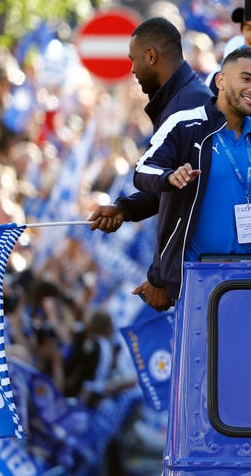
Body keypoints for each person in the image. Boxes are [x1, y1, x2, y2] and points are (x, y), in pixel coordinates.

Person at [133, 49, 251, 309]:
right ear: (221, 81)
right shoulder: (185, 124)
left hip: (250, 277)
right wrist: (170, 177)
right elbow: (143, 169)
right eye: (246, 79)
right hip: (198, 276)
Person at [87, 17, 213, 308]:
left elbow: (185, 198)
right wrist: (124, 208)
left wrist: (159, 277)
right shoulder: (180, 98)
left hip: (198, 266)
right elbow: (171, 185)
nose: (132, 70)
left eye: (133, 60)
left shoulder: (187, 106)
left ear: (152, 56)